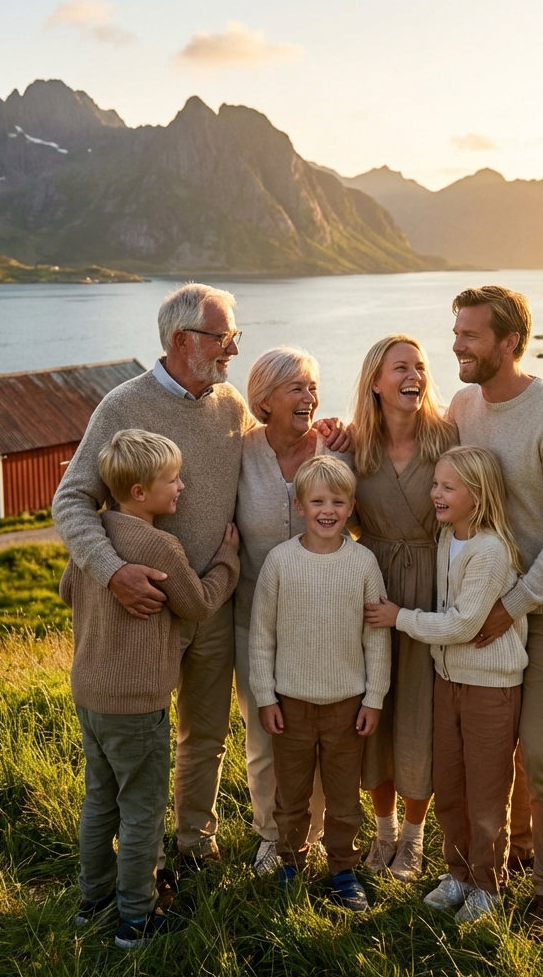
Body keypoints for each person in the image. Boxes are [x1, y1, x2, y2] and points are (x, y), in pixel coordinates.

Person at [54, 283, 349, 867]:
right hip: (139, 609)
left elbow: (279, 452)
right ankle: (132, 857)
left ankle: (193, 842)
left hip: (213, 603)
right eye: (224, 338)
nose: (233, 350)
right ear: (183, 339)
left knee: (205, 736)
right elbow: (71, 501)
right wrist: (113, 573)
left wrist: (328, 433)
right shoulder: (122, 406)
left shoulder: (231, 406)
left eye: (234, 338)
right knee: (141, 739)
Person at [448, 285, 543, 930]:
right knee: (492, 747)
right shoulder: (461, 405)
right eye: (455, 332)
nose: (457, 344)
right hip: (489, 606)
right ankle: (502, 858)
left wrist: (515, 603)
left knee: (539, 748)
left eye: (471, 335)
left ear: (510, 343)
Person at [60, 429, 240, 949]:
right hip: (137, 703)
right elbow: (200, 603)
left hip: (90, 693)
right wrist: (228, 559)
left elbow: (67, 589)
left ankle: (92, 901)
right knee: (141, 811)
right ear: (139, 492)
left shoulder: (93, 536)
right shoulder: (160, 544)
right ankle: (135, 919)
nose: (181, 487)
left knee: (100, 800)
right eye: (172, 480)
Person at [366, 446, 527, 923]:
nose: (435, 493)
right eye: (435, 484)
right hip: (447, 680)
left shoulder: (491, 551)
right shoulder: (444, 539)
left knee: (486, 791)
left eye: (447, 487)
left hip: (488, 687)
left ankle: (487, 885)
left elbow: (463, 626)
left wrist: (400, 618)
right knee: (450, 785)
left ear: (477, 496)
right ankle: (457, 873)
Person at [249, 456, 391, 912]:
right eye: (317, 501)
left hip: (347, 706)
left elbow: (376, 639)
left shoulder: (364, 563)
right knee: (290, 794)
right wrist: (265, 696)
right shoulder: (280, 562)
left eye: (337, 501)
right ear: (299, 505)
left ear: (351, 506)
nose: (327, 510)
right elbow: (262, 636)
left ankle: (343, 871)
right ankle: (291, 863)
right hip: (289, 705)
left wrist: (374, 698)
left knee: (344, 795)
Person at [349, 335, 457, 882]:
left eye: (419, 365)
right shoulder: (353, 448)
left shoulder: (447, 438)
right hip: (370, 592)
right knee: (377, 713)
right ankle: (383, 830)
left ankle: (414, 837)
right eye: (400, 367)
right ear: (375, 381)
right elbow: (325, 506)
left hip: (431, 589)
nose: (413, 374)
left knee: (420, 714)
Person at [235, 347, 330, 874]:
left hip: (322, 623)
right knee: (265, 734)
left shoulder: (335, 450)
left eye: (313, 387)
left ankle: (311, 836)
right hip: (253, 619)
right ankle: (272, 835)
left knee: (316, 731)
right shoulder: (240, 451)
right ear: (265, 399)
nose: (309, 398)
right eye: (296, 388)